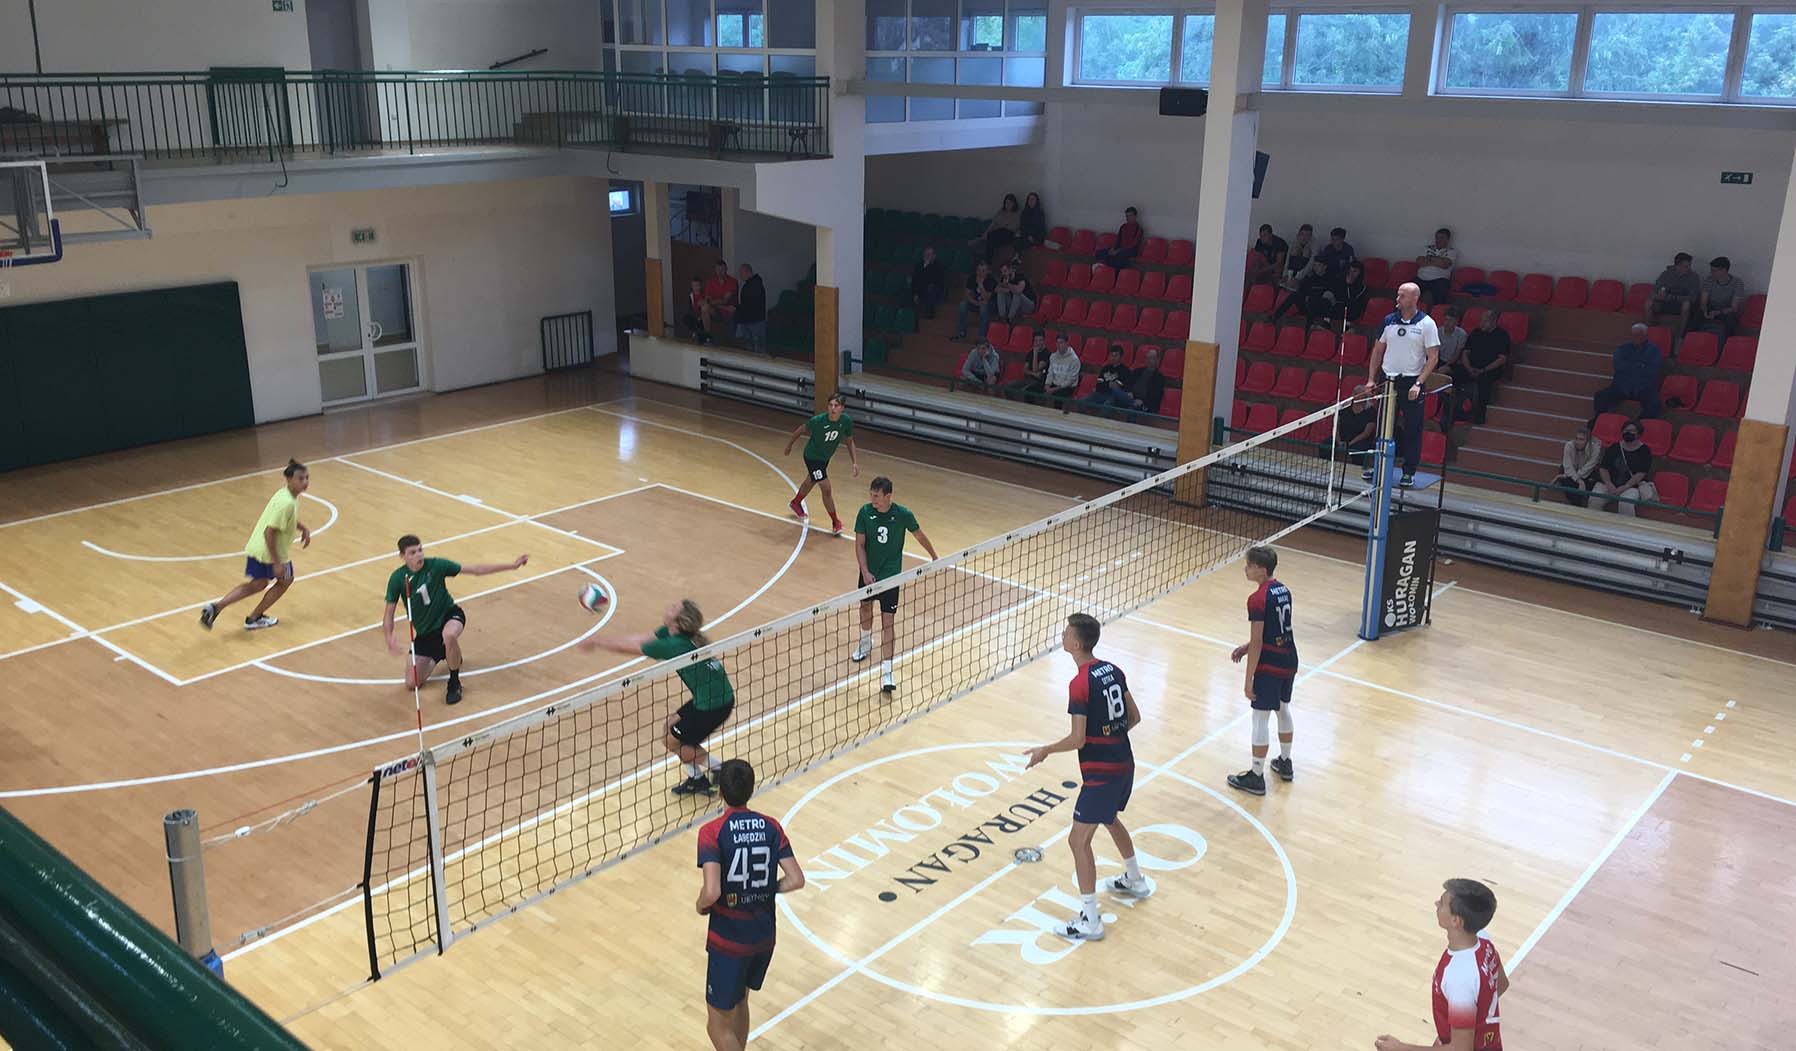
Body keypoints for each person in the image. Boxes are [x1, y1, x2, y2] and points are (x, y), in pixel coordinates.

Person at [1024, 613, 1151, 941]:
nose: (1063, 636)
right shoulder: (1113, 670)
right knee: (1109, 819)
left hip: (1101, 775)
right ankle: (1135, 880)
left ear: (1077, 643)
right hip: (1124, 762)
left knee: (1077, 841)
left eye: (1066, 633)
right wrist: (1110, 736)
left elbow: (1078, 739)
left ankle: (1090, 921)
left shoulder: (1080, 684)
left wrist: (1046, 750)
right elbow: (1135, 717)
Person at [695, 759, 804, 1051]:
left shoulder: (711, 832)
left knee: (717, 1023)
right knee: (741, 1000)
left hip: (729, 941)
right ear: (751, 790)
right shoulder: (771, 826)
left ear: (720, 792)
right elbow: (796, 879)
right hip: (763, 937)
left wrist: (700, 905)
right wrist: (766, 890)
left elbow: (711, 891)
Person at [583, 599, 735, 795]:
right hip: (711, 698)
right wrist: (600, 639)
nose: (669, 606)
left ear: (678, 622)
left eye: (673, 608)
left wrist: (597, 642)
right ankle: (697, 780)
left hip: (714, 706)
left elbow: (627, 648)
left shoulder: (673, 644)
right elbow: (640, 638)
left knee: (673, 742)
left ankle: (721, 770)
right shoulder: (671, 633)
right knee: (670, 727)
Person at [382, 537, 529, 706]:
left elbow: (476, 569)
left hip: (449, 616)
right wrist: (389, 636)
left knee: (449, 635)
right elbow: (389, 613)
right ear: (403, 556)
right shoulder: (398, 579)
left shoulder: (437, 565)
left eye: (420, 550)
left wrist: (512, 565)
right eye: (412, 553)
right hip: (426, 633)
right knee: (411, 683)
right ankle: (444, 652)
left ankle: (454, 683)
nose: (419, 555)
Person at [1374, 879, 1508, 1051]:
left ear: (1455, 921)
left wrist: (1401, 1048)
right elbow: (1502, 984)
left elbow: (1461, 1049)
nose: (1436, 903)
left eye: (1442, 903)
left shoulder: (1460, 978)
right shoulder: (1483, 940)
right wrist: (1459, 1026)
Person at [199, 459, 313, 632]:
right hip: (271, 551)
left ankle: (216, 607)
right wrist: (276, 562)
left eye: (307, 478)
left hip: (257, 547)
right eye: (301, 478)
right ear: (289, 480)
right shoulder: (287, 503)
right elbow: (269, 532)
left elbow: (285, 520)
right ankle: (254, 617)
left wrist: (303, 528)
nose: (305, 482)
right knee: (285, 580)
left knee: (258, 584)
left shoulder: (284, 494)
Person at [852, 476, 939, 693]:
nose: (872, 499)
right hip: (869, 574)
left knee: (888, 622)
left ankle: (887, 673)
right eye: (871, 495)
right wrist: (865, 572)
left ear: (888, 496)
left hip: (891, 578)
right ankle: (865, 642)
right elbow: (860, 545)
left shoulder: (902, 514)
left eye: (876, 496)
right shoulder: (865, 512)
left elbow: (919, 535)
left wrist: (935, 557)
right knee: (865, 607)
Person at [1226, 547, 1297, 796]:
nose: (1246, 569)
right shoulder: (1283, 590)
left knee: (1260, 717)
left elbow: (1258, 641)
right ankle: (1285, 762)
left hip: (1270, 665)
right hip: (1289, 658)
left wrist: (1249, 680)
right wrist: (1246, 648)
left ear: (1261, 569)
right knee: (1283, 709)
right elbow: (1274, 630)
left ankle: (1256, 776)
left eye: (1250, 565)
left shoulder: (1257, 599)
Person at [1364, 283, 1441, 488]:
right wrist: (1371, 379)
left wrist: (1418, 383)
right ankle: (1379, 466)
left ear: (1415, 298)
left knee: (1412, 429)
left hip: (1411, 382)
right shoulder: (1388, 321)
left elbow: (1433, 357)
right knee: (1383, 426)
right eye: (1398, 295)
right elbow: (1377, 351)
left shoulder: (1427, 323)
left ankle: (1409, 472)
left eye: (1402, 296)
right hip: (1388, 380)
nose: (1398, 299)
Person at [784, 392, 860, 534]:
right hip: (812, 457)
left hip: (825, 458)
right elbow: (801, 430)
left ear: (842, 408)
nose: (833, 408)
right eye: (830, 405)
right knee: (826, 488)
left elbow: (850, 441)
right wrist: (789, 445)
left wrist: (854, 462)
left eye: (836, 405)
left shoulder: (846, 421)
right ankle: (836, 522)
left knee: (811, 480)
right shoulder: (818, 420)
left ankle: (795, 503)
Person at [1591, 324, 1663, 419]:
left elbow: (1652, 369)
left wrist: (1629, 366)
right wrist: (1640, 366)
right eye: (1634, 335)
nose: (1636, 338)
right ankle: (1600, 420)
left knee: (1654, 405)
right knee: (1600, 396)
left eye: (1639, 335)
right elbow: (1618, 366)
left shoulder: (1654, 351)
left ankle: (1636, 424)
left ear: (1645, 336)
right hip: (1622, 387)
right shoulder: (1622, 349)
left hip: (1643, 388)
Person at [1592, 421, 1657, 516]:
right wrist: (1609, 483)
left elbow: (1641, 473)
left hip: (1631, 487)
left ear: (1639, 434)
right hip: (1609, 484)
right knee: (1595, 499)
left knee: (1626, 503)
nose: (1628, 432)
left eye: (1632, 431)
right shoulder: (1614, 447)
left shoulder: (1644, 451)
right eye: (1626, 430)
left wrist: (1625, 487)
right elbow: (1603, 468)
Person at [1457, 310, 1510, 425]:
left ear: (1493, 321)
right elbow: (1465, 353)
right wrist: (1469, 368)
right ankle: (1454, 410)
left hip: (1489, 370)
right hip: (1471, 367)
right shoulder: (1476, 333)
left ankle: (1480, 416)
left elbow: (1502, 359)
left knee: (1485, 384)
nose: (1481, 324)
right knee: (1455, 375)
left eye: (1485, 321)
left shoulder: (1502, 336)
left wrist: (1484, 370)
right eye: (1481, 321)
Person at [1551, 424, 1604, 508]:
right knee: (1569, 484)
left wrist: (1567, 476)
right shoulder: (1569, 445)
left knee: (1590, 484)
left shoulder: (1595, 448)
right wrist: (1579, 480)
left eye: (1581, 439)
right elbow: (1568, 467)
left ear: (1588, 441)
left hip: (1587, 473)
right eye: (1576, 438)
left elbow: (1589, 467)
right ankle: (1578, 506)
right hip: (1572, 473)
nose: (1578, 442)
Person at [1645, 251, 1700, 329]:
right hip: (1665, 303)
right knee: (1648, 303)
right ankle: (1649, 329)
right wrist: (1657, 295)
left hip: (1680, 305)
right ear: (1677, 266)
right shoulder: (1666, 274)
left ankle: (1681, 333)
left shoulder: (1694, 277)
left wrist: (1670, 297)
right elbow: (1654, 291)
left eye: (1689, 266)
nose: (1689, 269)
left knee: (1686, 305)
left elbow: (1692, 297)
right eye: (1686, 266)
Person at [1697, 255, 1747, 339]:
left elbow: (1734, 308)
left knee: (1730, 321)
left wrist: (1718, 312)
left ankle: (1728, 342)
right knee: (1697, 315)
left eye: (1714, 271)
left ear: (1724, 271)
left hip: (1726, 310)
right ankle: (1692, 339)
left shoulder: (1737, 283)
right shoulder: (1709, 280)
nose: (1711, 273)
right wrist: (1705, 310)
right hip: (1711, 307)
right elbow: (1703, 301)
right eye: (1711, 270)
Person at [1434, 307, 1468, 428]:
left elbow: (1457, 354)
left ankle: (1447, 415)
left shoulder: (1461, 334)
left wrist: (1447, 366)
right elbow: (1434, 352)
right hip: (1438, 360)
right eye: (1446, 320)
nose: (1447, 323)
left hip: (1454, 363)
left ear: (1456, 322)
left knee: (1449, 378)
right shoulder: (1438, 332)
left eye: (1450, 321)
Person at [1077, 344, 1132, 413]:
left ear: (1121, 357)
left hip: (1114, 396)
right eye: (1112, 355)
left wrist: (1105, 384)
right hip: (1100, 393)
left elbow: (1117, 387)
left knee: (1107, 405)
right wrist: (1108, 384)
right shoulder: (1105, 368)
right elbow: (1098, 385)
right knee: (1081, 401)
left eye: (1116, 356)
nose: (1113, 358)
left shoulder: (1125, 371)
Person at [953, 260, 998, 341]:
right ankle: (960, 333)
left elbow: (987, 298)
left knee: (984, 307)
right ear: (976, 271)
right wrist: (976, 303)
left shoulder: (990, 279)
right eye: (979, 270)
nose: (981, 273)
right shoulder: (972, 277)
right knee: (963, 304)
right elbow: (967, 295)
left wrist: (981, 285)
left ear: (987, 271)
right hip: (978, 303)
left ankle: (982, 338)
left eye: (983, 271)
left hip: (991, 304)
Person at [972, 193, 1022, 263]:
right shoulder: (1001, 211)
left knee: (992, 236)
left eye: (1010, 203)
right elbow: (993, 223)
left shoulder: (1018, 213)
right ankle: (987, 261)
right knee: (991, 239)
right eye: (1006, 203)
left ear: (1014, 204)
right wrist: (986, 233)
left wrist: (1001, 225)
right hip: (998, 233)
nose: (1008, 205)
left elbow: (1014, 226)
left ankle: (980, 244)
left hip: (1009, 234)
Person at [1004, 330, 1052, 403]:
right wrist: (1033, 374)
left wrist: (1035, 353)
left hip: (1039, 382)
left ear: (1044, 341)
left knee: (1024, 391)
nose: (1038, 343)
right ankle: (1013, 405)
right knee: (1008, 386)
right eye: (1036, 340)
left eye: (1040, 340)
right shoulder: (1030, 353)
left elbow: (1035, 369)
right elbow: (1025, 370)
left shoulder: (1047, 354)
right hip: (1028, 379)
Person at [1415, 227, 1457, 307]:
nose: (1438, 240)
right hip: (1421, 278)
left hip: (1439, 279)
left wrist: (1428, 259)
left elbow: (1444, 264)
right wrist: (1438, 260)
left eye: (1442, 238)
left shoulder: (1452, 251)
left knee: (1441, 295)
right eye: (1437, 237)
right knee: (1406, 290)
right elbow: (1419, 261)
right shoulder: (1427, 248)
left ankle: (1437, 312)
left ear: (1448, 239)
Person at [1334, 387, 1379, 461]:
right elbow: (1336, 426)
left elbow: (1366, 433)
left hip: (1359, 441)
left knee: (1358, 450)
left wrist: (1349, 444)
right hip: (1342, 439)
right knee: (1326, 444)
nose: (1355, 395)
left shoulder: (1371, 412)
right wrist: (1339, 441)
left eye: (1358, 394)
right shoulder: (1344, 408)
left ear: (1365, 397)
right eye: (1354, 393)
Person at [1122, 347, 1166, 416]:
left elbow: (1155, 396)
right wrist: (1129, 392)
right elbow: (1127, 384)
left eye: (1151, 358)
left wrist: (1142, 401)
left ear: (1157, 360)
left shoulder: (1159, 378)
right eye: (1147, 358)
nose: (1148, 360)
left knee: (1133, 408)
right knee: (1114, 394)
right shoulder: (1137, 371)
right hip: (1131, 397)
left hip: (1144, 403)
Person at [733, 263, 767, 354]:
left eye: (741, 273)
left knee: (758, 349)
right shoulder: (752, 284)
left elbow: (750, 304)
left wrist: (737, 309)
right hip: (750, 320)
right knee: (751, 348)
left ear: (747, 272)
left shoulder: (754, 285)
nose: (740, 275)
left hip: (755, 321)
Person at [1043, 333, 1083, 407]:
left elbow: (1070, 381)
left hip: (1067, 387)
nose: (1059, 345)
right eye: (1057, 343)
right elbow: (1050, 373)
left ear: (1067, 343)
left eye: (1061, 342)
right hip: (1054, 384)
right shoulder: (1053, 356)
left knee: (1058, 397)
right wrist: (1047, 385)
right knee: (1035, 389)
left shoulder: (1074, 360)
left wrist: (1054, 389)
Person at [910, 246, 947, 320]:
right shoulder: (919, 265)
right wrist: (915, 293)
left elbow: (934, 281)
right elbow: (915, 279)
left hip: (935, 290)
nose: (927, 256)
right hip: (920, 289)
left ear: (934, 256)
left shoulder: (938, 266)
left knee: (930, 288)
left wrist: (927, 266)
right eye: (925, 254)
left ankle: (929, 315)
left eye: (929, 254)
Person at [703, 259, 739, 332]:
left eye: (722, 269)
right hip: (718, 310)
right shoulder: (711, 282)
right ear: (715, 270)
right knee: (704, 308)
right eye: (718, 270)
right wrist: (722, 304)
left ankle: (731, 337)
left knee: (732, 312)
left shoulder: (732, 281)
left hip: (729, 311)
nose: (720, 272)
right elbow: (707, 301)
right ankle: (707, 334)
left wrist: (714, 302)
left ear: (726, 269)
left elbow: (725, 301)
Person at [1280, 223, 1315, 291]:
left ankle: (1294, 282)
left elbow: (1310, 265)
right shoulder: (1294, 242)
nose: (1304, 237)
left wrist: (1297, 278)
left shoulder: (1314, 245)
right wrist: (1285, 274)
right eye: (1302, 234)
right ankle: (1289, 278)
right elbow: (1287, 260)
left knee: (1306, 251)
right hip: (1292, 271)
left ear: (1310, 237)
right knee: (1295, 250)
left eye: (1307, 235)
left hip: (1305, 273)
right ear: (1298, 235)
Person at [681, 276, 712, 344]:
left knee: (701, 324)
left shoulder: (704, 295)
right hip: (694, 316)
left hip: (703, 315)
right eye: (694, 286)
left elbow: (707, 305)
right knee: (686, 318)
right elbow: (689, 308)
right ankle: (695, 333)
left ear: (700, 286)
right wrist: (696, 315)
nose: (695, 288)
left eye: (697, 285)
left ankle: (705, 337)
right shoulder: (691, 296)